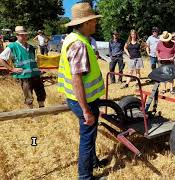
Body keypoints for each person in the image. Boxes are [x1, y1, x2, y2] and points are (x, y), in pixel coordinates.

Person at [57, 3, 106, 179]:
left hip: (79, 99)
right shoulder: (79, 45)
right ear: (85, 23)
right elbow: (77, 79)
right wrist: (86, 110)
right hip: (84, 102)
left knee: (90, 136)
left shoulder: (72, 39)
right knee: (87, 139)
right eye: (93, 21)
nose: (95, 24)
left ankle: (93, 162)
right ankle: (85, 177)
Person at [0, 26, 46, 109]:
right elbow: (1, 58)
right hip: (24, 76)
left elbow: (33, 60)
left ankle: (42, 112)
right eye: (22, 35)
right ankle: (31, 115)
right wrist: (12, 69)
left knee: (41, 94)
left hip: (35, 74)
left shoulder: (31, 47)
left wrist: (39, 69)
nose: (24, 37)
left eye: (25, 35)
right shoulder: (12, 46)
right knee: (29, 97)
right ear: (17, 35)